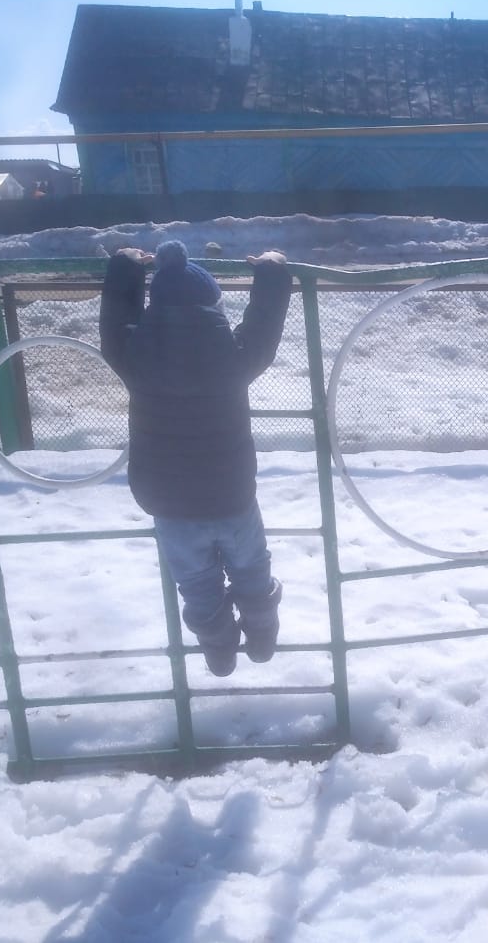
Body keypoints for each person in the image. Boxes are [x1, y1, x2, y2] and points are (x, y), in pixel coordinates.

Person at [100, 240, 293, 675]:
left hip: (169, 501)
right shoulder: (232, 355)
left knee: (197, 584)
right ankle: (262, 633)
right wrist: (272, 271)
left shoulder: (135, 354)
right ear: (213, 307)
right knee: (252, 570)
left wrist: (126, 268)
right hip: (230, 494)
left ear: (155, 309)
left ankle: (218, 650)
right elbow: (264, 327)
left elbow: (115, 324)